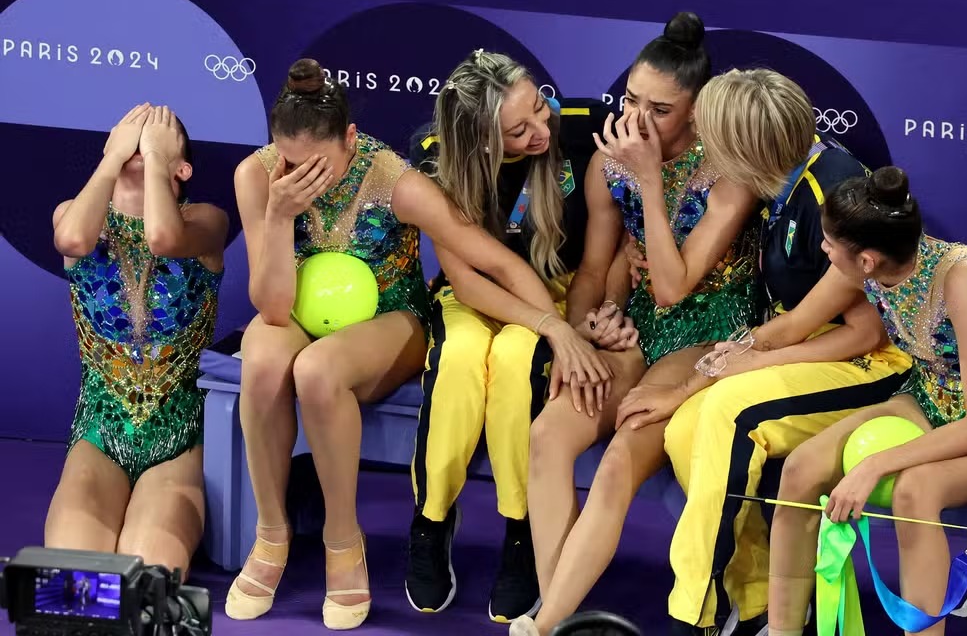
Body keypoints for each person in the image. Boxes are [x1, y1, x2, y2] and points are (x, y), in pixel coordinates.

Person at [226, 59, 610, 630]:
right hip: (299, 309)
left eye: (317, 166)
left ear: (351, 140)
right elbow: (274, 307)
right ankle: (272, 532)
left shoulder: (394, 179)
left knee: (317, 373)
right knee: (261, 361)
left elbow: (491, 258)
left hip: (387, 315)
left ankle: (342, 540)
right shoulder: (258, 178)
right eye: (288, 161)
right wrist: (279, 216)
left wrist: (554, 326)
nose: (300, 175)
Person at [511, 14, 792, 636]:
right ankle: (558, 606)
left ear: (697, 113)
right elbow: (590, 270)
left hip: (709, 337)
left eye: (659, 110)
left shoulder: (731, 174)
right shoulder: (607, 165)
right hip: (638, 331)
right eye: (631, 100)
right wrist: (590, 325)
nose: (637, 121)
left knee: (622, 451)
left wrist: (649, 181)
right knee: (550, 434)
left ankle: (546, 622)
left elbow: (672, 284)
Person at [615, 69, 912, 634]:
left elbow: (864, 332)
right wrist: (688, 389)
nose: (704, 147)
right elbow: (787, 325)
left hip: (870, 367)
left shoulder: (837, 194)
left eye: (713, 138)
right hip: (810, 349)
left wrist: (741, 366)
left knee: (730, 414)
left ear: (746, 148)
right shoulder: (782, 181)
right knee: (684, 427)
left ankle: (692, 613)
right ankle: (755, 602)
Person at [404, 49, 626, 623]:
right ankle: (431, 520)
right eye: (518, 130)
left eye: (538, 109)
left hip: (558, 291)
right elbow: (468, 281)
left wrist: (566, 327)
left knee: (514, 360)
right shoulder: (435, 161)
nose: (539, 130)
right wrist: (557, 331)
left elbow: (598, 262)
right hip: (474, 294)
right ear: (479, 142)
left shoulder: (581, 132)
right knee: (457, 361)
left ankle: (520, 530)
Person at [766, 167, 967, 636]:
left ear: (867, 262)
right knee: (801, 469)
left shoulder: (963, 280)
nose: (823, 249)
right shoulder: (865, 260)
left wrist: (875, 465)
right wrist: (721, 363)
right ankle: (783, 629)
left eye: (829, 243)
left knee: (915, 492)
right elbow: (791, 327)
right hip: (926, 398)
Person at [45, 103, 227, 581]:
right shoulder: (76, 216)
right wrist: (113, 158)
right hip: (100, 434)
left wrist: (155, 160)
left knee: (148, 576)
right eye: (128, 135)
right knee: (74, 576)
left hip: (178, 436)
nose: (139, 142)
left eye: (156, 138)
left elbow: (164, 239)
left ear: (182, 167)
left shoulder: (205, 221)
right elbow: (73, 241)